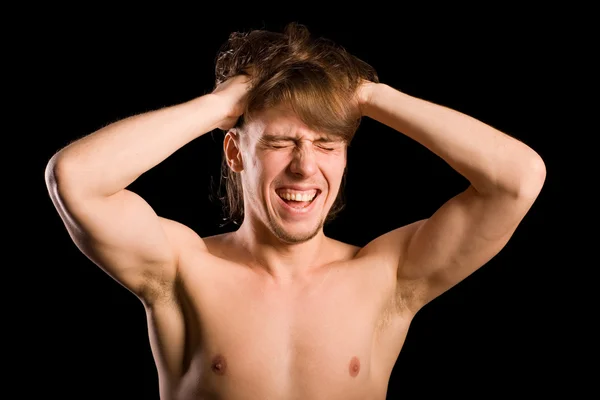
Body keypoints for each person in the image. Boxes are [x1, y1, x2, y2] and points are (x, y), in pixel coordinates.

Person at [45, 23, 546, 400]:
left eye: (327, 144)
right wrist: (224, 105)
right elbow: (75, 178)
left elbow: (518, 180)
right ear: (235, 153)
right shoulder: (182, 269)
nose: (305, 168)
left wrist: (370, 95)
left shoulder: (386, 276)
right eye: (281, 142)